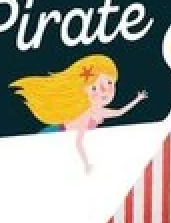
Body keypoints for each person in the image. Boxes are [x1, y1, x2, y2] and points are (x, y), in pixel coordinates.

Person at [11, 55, 147, 172]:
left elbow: (120, 112)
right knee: (29, 158)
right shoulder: (87, 114)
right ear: (84, 92)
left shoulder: (100, 112)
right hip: (56, 133)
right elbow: (78, 143)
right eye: (94, 88)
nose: (104, 91)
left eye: (109, 82)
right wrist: (86, 163)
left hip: (61, 137)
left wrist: (138, 99)